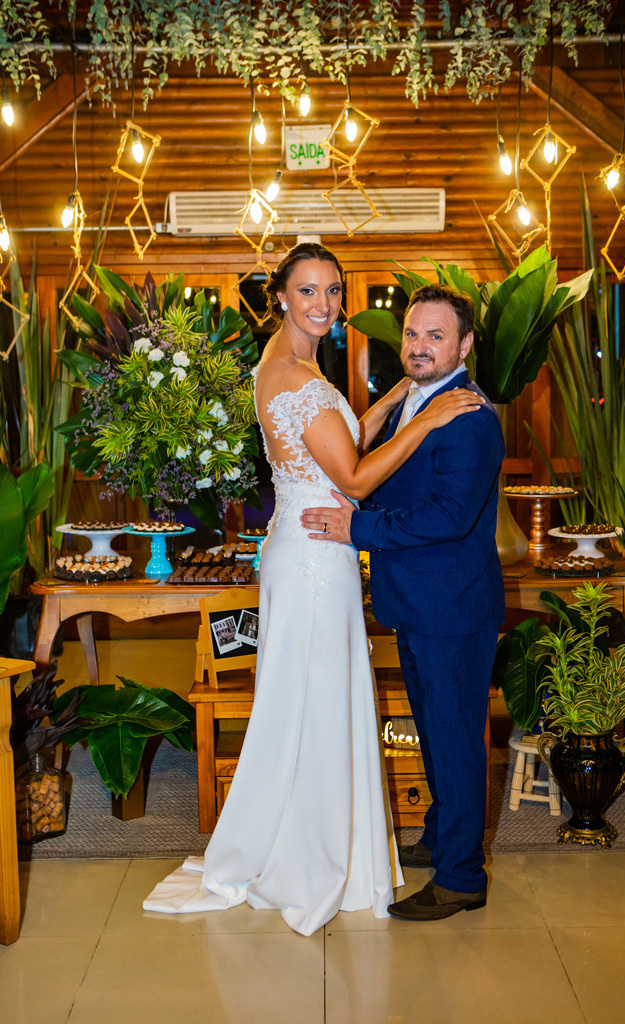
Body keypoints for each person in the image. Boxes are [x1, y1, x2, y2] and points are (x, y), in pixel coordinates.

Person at [143, 245, 484, 936]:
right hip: (315, 556)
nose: (323, 304)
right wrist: (422, 418)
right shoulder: (292, 374)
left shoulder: (291, 364)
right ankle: (317, 852)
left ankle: (341, 841)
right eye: (307, 290)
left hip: (308, 547)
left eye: (332, 290)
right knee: (316, 699)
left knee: (310, 697)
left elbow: (339, 438)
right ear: (280, 296)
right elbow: (352, 477)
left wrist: (399, 397)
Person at [301, 283, 505, 921]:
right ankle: (444, 839)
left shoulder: (469, 417)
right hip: (417, 602)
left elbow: (448, 515)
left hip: (452, 608)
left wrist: (356, 528)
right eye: (413, 333)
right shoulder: (416, 401)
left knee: (455, 740)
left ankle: (461, 878)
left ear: (463, 346)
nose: (419, 346)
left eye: (435, 336)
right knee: (437, 734)